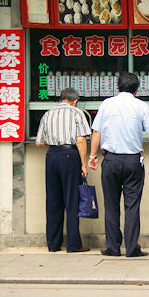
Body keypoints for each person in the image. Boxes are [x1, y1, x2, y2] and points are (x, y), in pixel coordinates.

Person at [89, 72, 149, 257]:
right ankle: (131, 248)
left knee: (111, 205)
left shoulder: (106, 104)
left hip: (111, 160)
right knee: (132, 206)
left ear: (117, 87)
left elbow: (96, 131)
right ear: (137, 90)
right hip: (132, 162)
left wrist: (92, 156)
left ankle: (113, 247)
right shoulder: (141, 105)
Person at [35, 88, 92, 253]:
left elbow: (39, 142)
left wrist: (55, 144)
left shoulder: (48, 114)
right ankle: (73, 244)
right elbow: (80, 139)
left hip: (52, 156)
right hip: (70, 156)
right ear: (75, 101)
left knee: (53, 201)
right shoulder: (77, 112)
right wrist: (83, 164)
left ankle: (53, 244)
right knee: (72, 199)